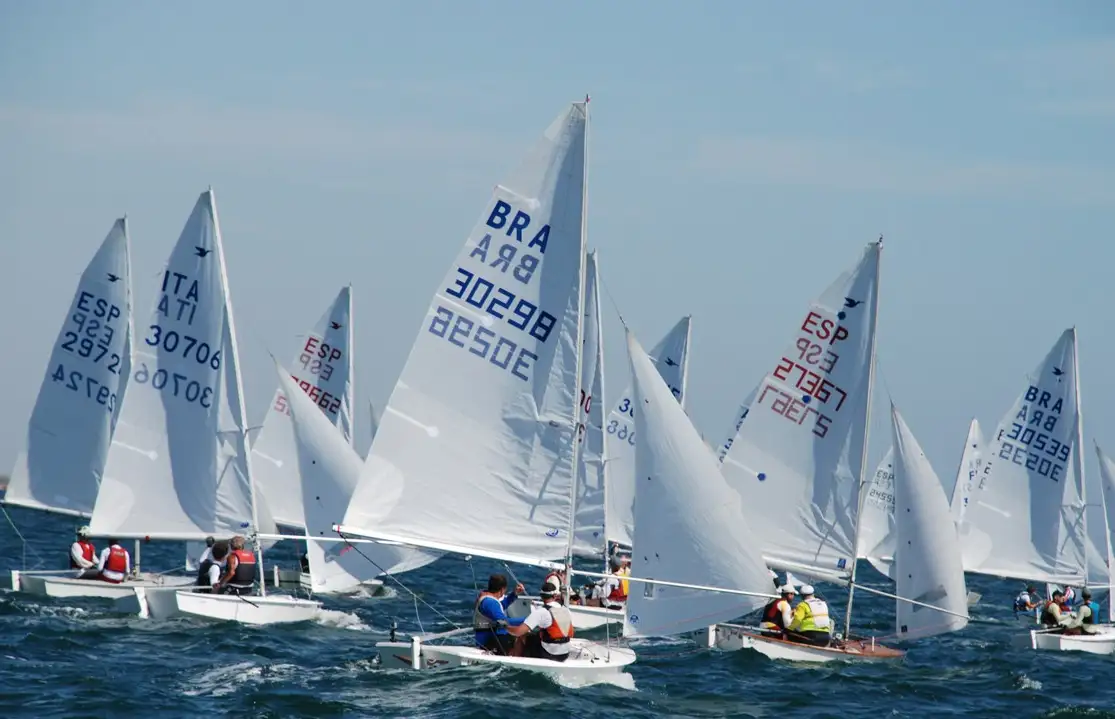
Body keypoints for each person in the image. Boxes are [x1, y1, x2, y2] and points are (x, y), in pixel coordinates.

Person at [511, 575, 574, 662]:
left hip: (549, 654)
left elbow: (518, 632)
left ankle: (515, 662)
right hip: (565, 654)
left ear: (541, 596)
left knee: (522, 635)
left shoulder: (541, 612)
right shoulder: (566, 610)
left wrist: (505, 627)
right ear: (555, 596)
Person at [473, 574, 526, 654]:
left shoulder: (488, 599)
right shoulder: (490, 602)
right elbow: (504, 622)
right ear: (502, 590)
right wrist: (528, 619)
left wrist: (514, 594)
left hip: (488, 636)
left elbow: (500, 606)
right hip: (487, 641)